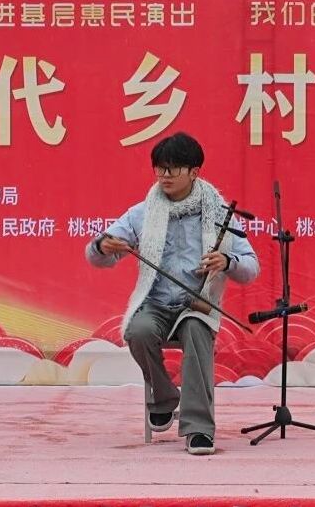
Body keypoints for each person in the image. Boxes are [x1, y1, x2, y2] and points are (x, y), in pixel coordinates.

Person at [86, 132, 259, 455]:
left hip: (197, 305)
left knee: (195, 331)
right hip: (156, 304)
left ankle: (199, 429)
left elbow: (251, 267)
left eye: (173, 169)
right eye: (160, 168)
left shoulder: (219, 213)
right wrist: (102, 246)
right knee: (137, 331)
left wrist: (227, 261)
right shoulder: (142, 213)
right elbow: (96, 255)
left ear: (194, 172)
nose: (164, 175)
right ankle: (165, 397)